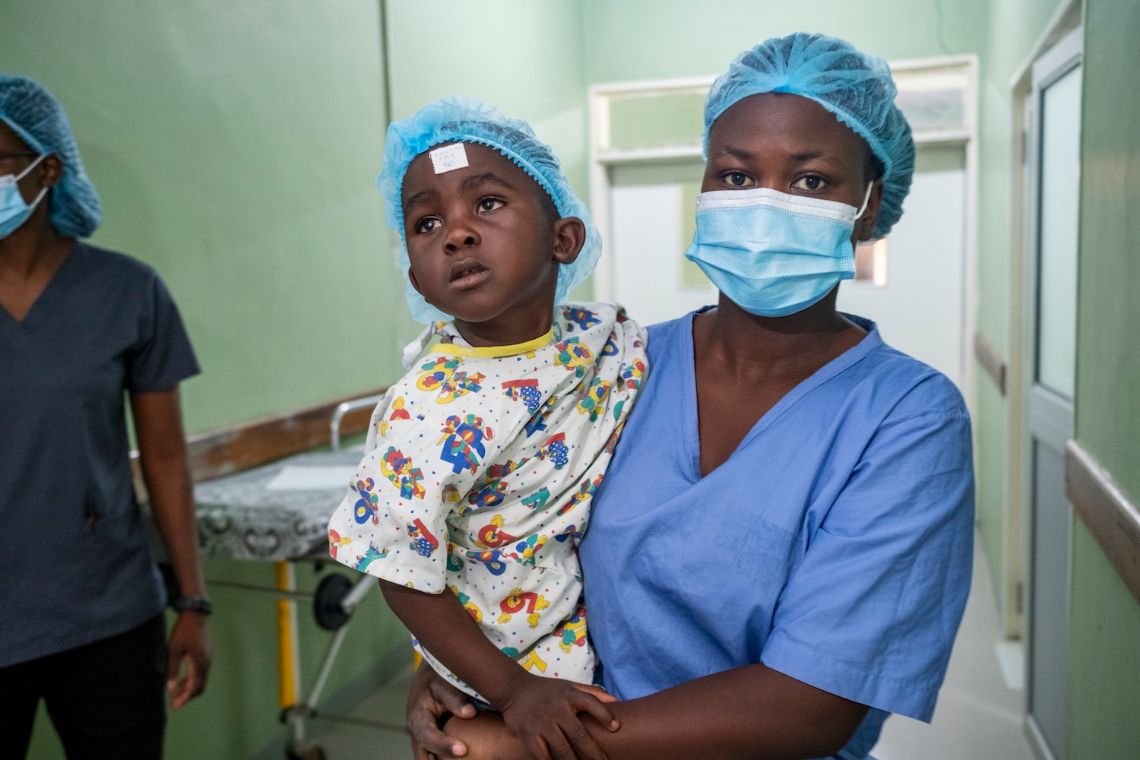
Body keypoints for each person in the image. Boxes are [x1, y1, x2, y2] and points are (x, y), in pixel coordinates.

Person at [405, 33, 975, 760]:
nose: (764, 204)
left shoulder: (908, 418)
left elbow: (808, 708)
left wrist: (507, 746)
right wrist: (453, 673)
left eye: (811, 181)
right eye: (736, 176)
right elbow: (504, 535)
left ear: (868, 207)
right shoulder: (611, 368)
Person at [326, 98, 647, 759]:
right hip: (504, 678)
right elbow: (398, 568)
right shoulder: (426, 408)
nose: (457, 234)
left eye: (488, 203)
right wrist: (512, 690)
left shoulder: (604, 338)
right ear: (418, 280)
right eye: (427, 222)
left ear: (564, 238)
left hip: (600, 648)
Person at [0, 75, 211, 759]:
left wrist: (193, 601)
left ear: (45, 170)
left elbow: (166, 456)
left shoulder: (128, 292)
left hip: (105, 615)